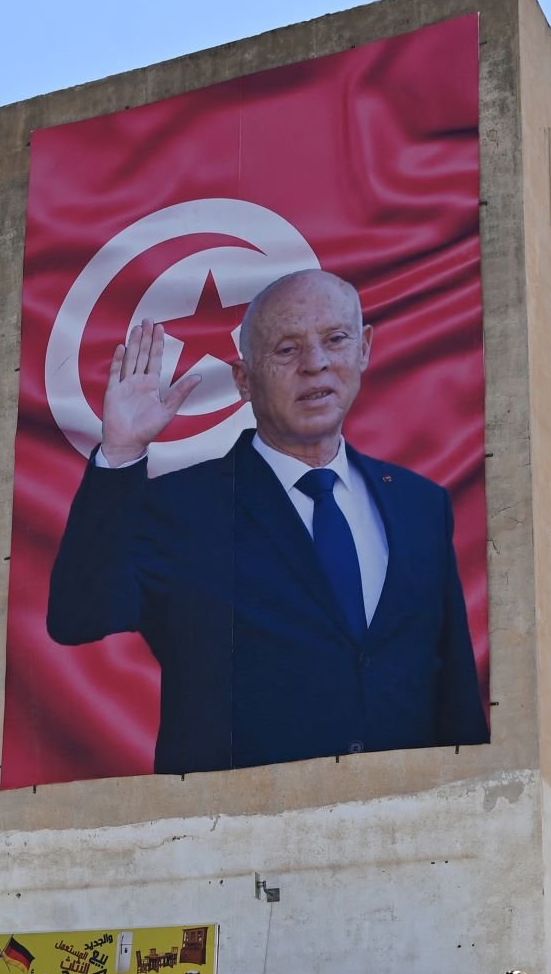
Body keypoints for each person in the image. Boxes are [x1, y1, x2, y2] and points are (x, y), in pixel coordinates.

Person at [46, 269, 487, 773]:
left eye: (335, 339)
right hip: (239, 834)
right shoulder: (182, 507)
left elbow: (454, 691)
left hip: (410, 828)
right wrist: (122, 453)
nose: (316, 364)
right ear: (243, 379)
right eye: (286, 350)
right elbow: (79, 616)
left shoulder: (421, 505)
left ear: (364, 348)